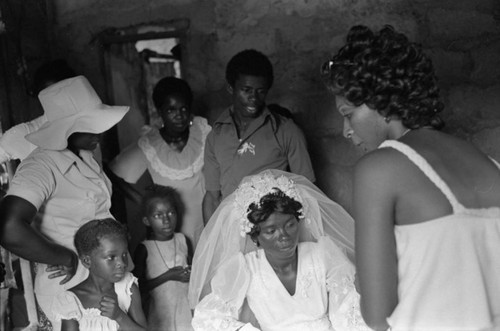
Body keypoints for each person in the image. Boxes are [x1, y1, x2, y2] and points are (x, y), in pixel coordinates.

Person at [322, 25, 500, 330]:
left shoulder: (379, 169)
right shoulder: (491, 165)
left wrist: (365, 283)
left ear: (380, 101)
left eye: (348, 113)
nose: (346, 131)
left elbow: (378, 316)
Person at [0, 75, 129, 331]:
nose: (99, 133)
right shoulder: (41, 166)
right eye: (90, 125)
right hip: (69, 285)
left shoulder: (85, 156)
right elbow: (8, 227)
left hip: (103, 278)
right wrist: (65, 257)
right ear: (66, 128)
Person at [191, 170, 368, 331]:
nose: (284, 236)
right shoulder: (245, 267)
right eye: (271, 231)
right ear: (255, 237)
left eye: (290, 225)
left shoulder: (322, 254)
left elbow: (349, 309)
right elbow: (206, 319)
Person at [202, 49, 315, 223]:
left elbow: (308, 192)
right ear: (230, 88)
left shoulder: (287, 131)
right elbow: (212, 197)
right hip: (230, 233)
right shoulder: (215, 136)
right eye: (246, 90)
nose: (253, 98)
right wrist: (212, 242)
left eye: (260, 91)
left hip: (273, 233)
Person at [110, 76, 211, 253]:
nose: (178, 115)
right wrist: (145, 202)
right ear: (159, 111)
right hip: (170, 228)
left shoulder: (203, 133)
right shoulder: (150, 145)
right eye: (171, 110)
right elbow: (112, 174)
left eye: (183, 108)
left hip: (206, 221)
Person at [52, 218, 146, 331]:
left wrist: (119, 316)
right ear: (87, 261)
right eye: (111, 257)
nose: (121, 263)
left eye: (124, 254)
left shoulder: (127, 288)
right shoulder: (71, 302)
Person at [132, 185, 192, 331]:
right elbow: (138, 287)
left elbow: (194, 270)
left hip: (185, 311)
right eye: (158, 215)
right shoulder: (144, 248)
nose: (166, 220)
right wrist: (168, 276)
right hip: (159, 315)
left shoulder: (183, 240)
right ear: (147, 221)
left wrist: (190, 273)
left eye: (171, 213)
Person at [0, 59, 77, 164]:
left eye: (64, 92)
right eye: (51, 94)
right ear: (39, 96)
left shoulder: (89, 128)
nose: (59, 99)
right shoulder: (25, 134)